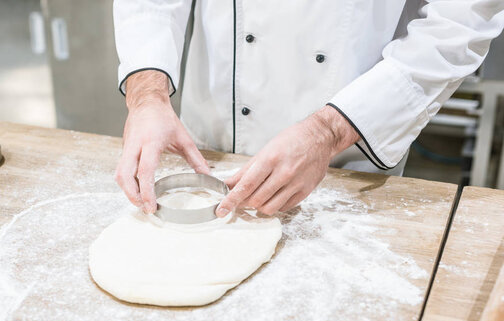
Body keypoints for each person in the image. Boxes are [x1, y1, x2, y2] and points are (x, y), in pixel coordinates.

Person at [113, 1, 504, 217]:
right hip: (209, 143)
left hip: (345, 153)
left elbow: (460, 25)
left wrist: (328, 131)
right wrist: (147, 93)